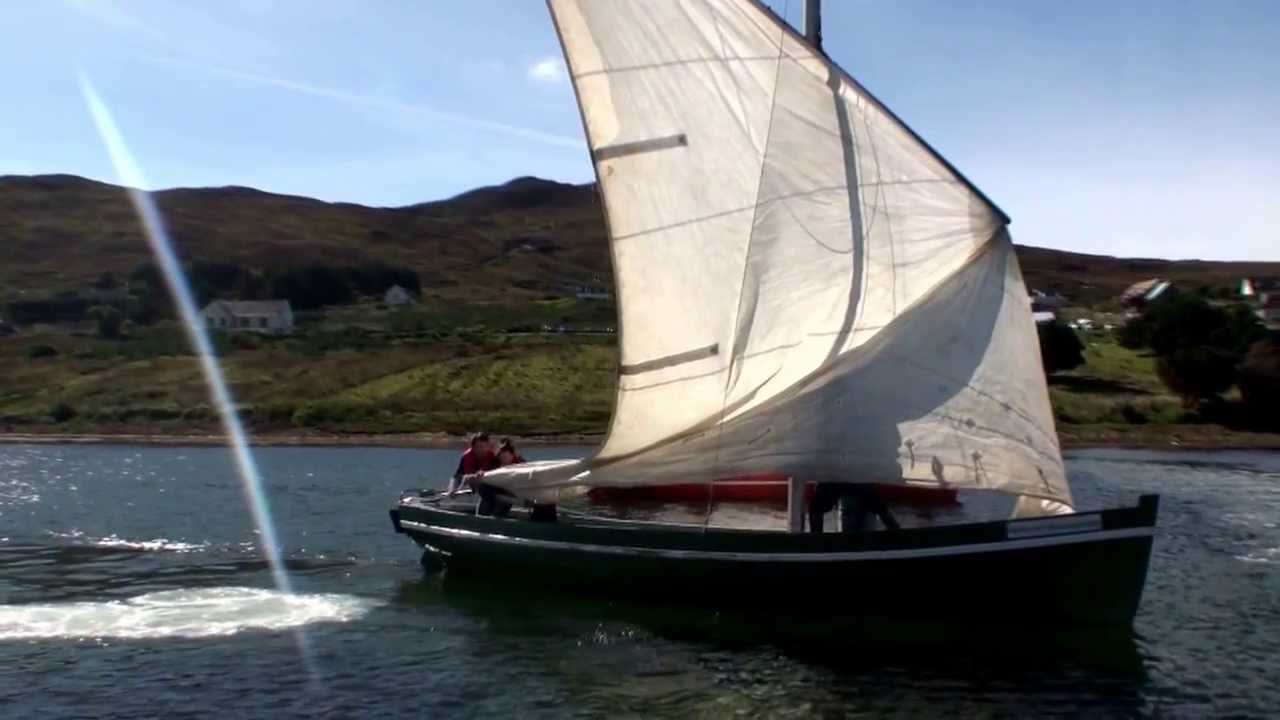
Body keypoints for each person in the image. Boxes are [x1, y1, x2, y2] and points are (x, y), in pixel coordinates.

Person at [808, 483, 899, 534]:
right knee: (875, 503)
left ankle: (894, 529)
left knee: (875, 502)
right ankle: (894, 529)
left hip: (848, 477)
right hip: (843, 476)